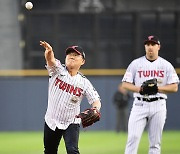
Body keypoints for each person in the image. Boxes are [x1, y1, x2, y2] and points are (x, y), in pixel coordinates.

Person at [40, 41, 101, 154]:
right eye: (69, 54)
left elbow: (96, 100)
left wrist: (96, 109)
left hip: (71, 121)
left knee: (72, 151)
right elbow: (51, 60)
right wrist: (49, 52)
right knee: (49, 151)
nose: (71, 56)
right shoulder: (57, 70)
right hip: (52, 119)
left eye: (76, 55)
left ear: (82, 61)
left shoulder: (84, 82)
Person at [122, 35, 179, 154]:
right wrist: (140, 89)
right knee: (133, 139)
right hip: (139, 104)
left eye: (153, 44)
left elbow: (174, 87)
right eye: (148, 44)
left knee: (155, 143)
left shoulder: (166, 65)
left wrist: (157, 89)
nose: (150, 47)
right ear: (145, 47)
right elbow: (125, 84)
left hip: (158, 105)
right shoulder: (136, 64)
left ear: (158, 47)